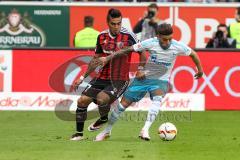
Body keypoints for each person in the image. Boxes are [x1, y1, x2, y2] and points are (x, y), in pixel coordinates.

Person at [95, 23, 203, 141]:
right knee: (122, 106)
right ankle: (107, 131)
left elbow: (193, 54)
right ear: (157, 36)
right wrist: (108, 58)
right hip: (144, 78)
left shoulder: (177, 46)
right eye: (164, 39)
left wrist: (200, 69)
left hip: (161, 80)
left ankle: (145, 130)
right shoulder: (151, 42)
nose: (167, 42)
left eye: (170, 39)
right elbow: (129, 49)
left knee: (157, 100)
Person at [70, 8, 146, 141]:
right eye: (113, 24)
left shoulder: (129, 36)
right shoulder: (101, 36)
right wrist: (82, 78)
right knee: (82, 100)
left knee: (101, 98)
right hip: (102, 77)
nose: (116, 27)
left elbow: (142, 52)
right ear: (108, 22)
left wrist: (140, 69)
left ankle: (104, 116)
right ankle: (78, 134)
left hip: (119, 79)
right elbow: (95, 59)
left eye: (119, 23)